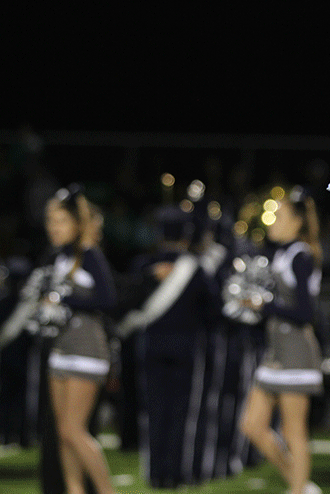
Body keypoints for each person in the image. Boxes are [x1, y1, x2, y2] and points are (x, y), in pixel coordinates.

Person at [118, 204, 221, 488]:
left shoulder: (143, 266)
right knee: (181, 414)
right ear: (187, 236)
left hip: (150, 347)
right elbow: (215, 312)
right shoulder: (196, 269)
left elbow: (125, 304)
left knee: (153, 412)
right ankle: (175, 475)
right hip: (187, 349)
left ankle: (156, 474)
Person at [237, 185, 325, 494]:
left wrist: (265, 304)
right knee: (252, 425)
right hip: (276, 352)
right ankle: (299, 484)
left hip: (296, 353)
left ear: (296, 222)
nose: (272, 222)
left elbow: (304, 313)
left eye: (279, 217)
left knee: (293, 432)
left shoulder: (301, 256)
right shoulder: (283, 253)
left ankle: (298, 489)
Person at [42, 185, 118, 494]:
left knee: (74, 430)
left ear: (76, 224)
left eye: (60, 221)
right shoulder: (58, 258)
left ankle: (106, 491)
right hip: (60, 349)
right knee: (62, 432)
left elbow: (108, 300)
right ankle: (75, 491)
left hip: (87, 351)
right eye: (50, 221)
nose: (54, 227)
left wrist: (64, 301)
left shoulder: (90, 256)